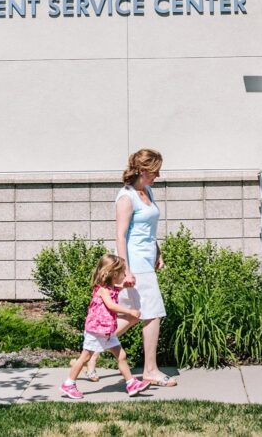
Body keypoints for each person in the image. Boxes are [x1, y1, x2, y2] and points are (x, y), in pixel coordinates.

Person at [84, 148, 178, 387]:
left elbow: (149, 229)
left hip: (146, 259)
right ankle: (150, 370)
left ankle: (92, 353)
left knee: (133, 315)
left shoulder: (147, 191)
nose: (158, 175)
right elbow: (120, 235)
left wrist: (158, 252)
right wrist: (126, 269)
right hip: (133, 261)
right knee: (153, 313)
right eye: (155, 171)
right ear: (143, 170)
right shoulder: (127, 197)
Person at [60, 254, 151, 399]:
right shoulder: (102, 289)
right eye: (123, 273)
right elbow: (111, 305)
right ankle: (69, 384)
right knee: (84, 358)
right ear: (114, 273)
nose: (125, 275)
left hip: (107, 331)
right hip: (96, 331)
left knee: (121, 356)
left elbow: (115, 290)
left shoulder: (110, 287)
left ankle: (131, 383)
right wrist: (130, 311)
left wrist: (124, 286)